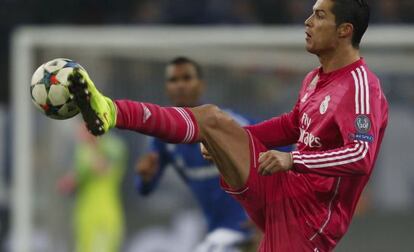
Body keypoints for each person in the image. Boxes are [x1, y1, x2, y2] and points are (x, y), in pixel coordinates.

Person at [67, 0, 388, 251]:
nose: (307, 22)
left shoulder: (360, 86)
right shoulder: (314, 79)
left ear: (345, 30)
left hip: (308, 221)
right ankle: (111, 110)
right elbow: (293, 124)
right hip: (281, 188)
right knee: (211, 119)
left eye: (319, 16)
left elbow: (360, 156)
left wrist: (293, 159)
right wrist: (236, 139)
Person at [134, 57, 284, 252]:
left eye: (187, 78)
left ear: (201, 85)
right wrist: (145, 177)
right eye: (174, 80)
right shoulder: (164, 139)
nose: (180, 85)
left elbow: (283, 151)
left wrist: (270, 216)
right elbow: (144, 189)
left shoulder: (226, 123)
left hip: (247, 232)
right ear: (167, 88)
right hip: (216, 231)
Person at [57, 125, 127, 252]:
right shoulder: (82, 151)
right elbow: (68, 184)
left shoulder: (113, 146)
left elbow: (102, 167)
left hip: (103, 221)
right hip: (84, 221)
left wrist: (91, 144)